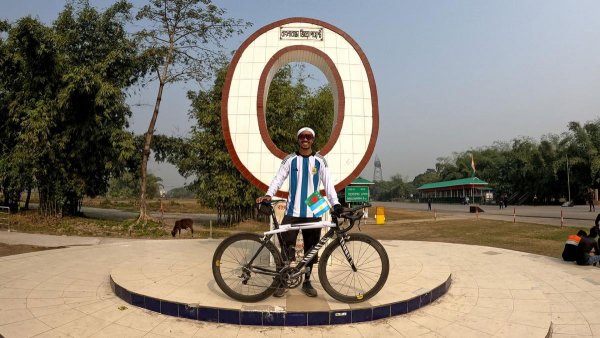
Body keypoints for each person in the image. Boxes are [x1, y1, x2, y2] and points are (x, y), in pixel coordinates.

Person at [256, 127, 341, 298]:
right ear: (298, 139)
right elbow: (278, 179)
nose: (305, 139)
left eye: (309, 137)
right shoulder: (290, 160)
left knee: (312, 249)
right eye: (302, 136)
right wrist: (268, 195)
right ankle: (282, 281)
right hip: (292, 210)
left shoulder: (320, 161)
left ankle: (307, 282)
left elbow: (328, 184)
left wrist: (336, 203)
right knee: (287, 248)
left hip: (314, 208)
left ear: (313, 140)